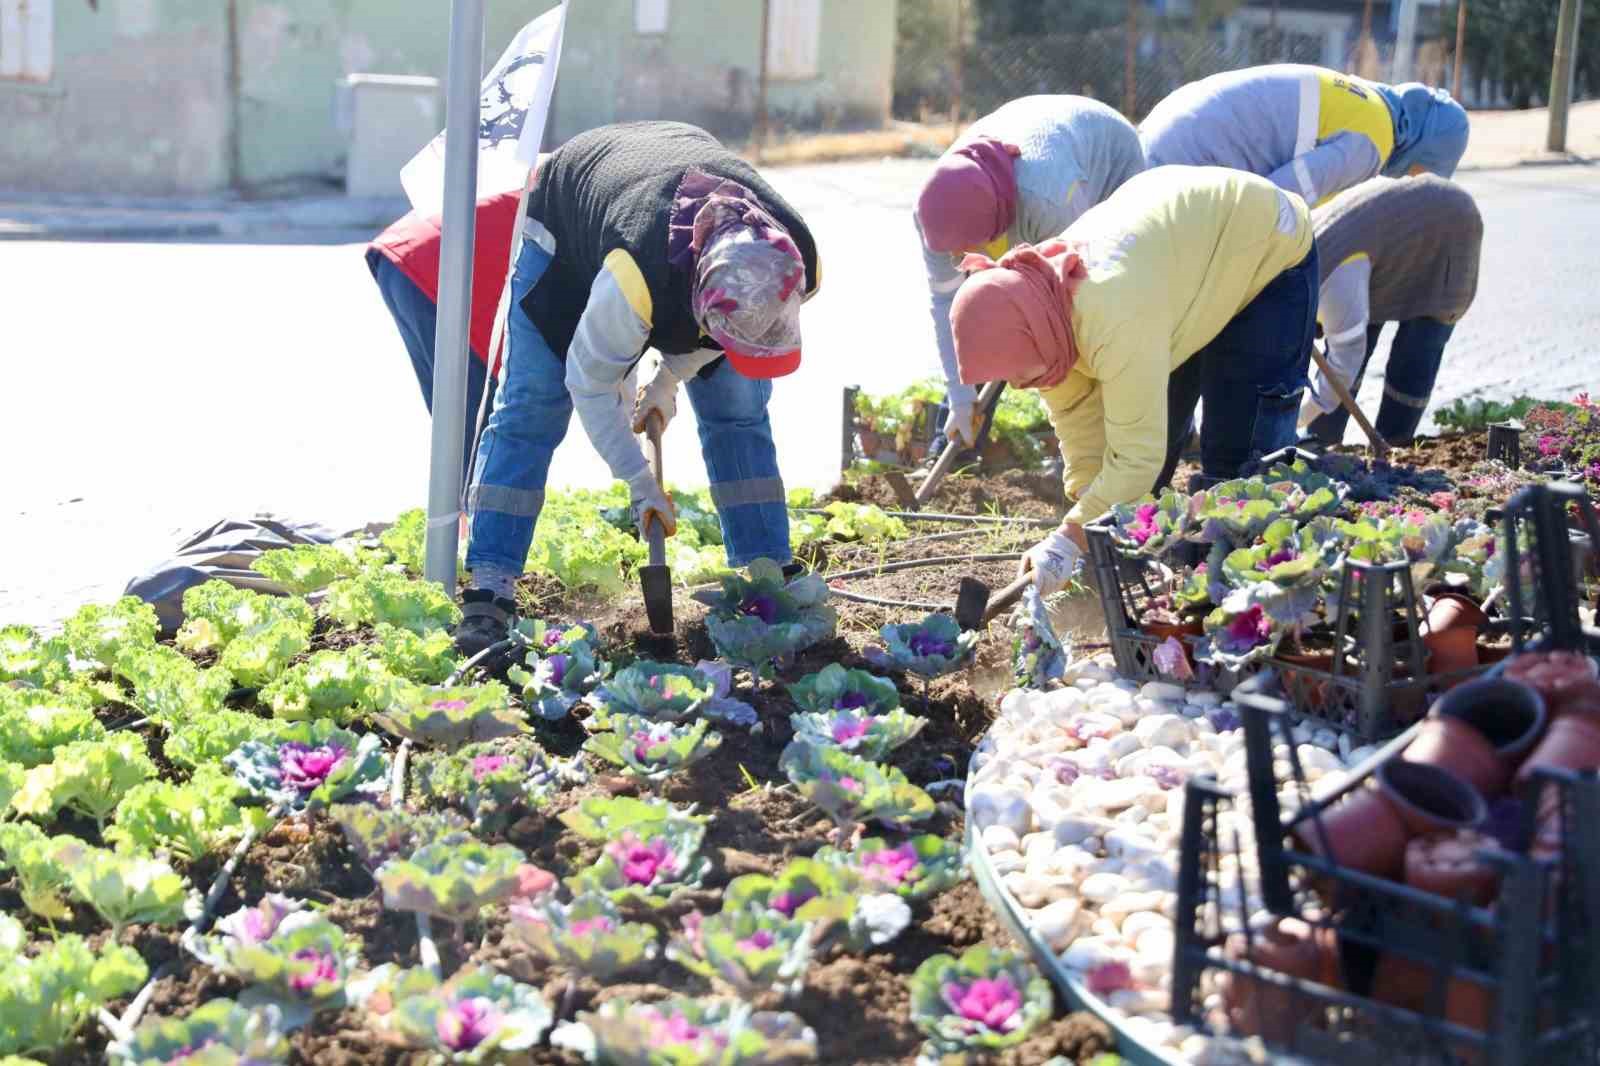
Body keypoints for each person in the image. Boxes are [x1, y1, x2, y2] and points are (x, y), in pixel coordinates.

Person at [454, 120, 820, 654]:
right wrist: (638, 480)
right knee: (535, 405)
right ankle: (490, 584)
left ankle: (765, 569)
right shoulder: (634, 278)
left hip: (673, 197)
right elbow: (590, 385)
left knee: (738, 405)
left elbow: (724, 338)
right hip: (569, 225)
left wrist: (669, 379)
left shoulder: (793, 259)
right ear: (700, 299)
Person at [948, 166, 1318, 595]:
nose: (1015, 383)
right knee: (1141, 467)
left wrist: (1071, 535)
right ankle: (1150, 574)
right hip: (1179, 273)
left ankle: (1250, 594)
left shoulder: (1109, 310)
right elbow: (1081, 426)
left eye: (1013, 370)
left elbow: (1136, 457)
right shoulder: (1038, 313)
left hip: (1264, 245)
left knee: (1238, 462)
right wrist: (1085, 521)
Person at [915, 95, 1146, 451]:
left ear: (992, 226)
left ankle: (1103, 439)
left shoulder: (1047, 201)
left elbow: (1077, 290)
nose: (957, 258)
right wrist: (960, 398)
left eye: (965, 249)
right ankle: (962, 440)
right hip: (1030, 146)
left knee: (1090, 312)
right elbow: (948, 304)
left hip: (1107, 158)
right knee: (987, 305)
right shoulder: (935, 212)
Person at [1299, 175, 1483, 445]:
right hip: (1382, 246)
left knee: (1416, 352)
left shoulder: (1334, 281)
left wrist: (1299, 418)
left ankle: (1394, 443)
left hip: (1449, 230)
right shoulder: (1294, 256)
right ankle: (1320, 442)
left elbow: (1345, 359)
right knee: (1349, 342)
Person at [1140, 64, 1471, 207]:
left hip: (1166, 134)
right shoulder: (1373, 139)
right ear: (1424, 149)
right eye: (1422, 173)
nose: (1411, 180)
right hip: (1185, 165)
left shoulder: (1362, 102)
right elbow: (1277, 202)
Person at [367, 190, 524, 471]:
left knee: (457, 433)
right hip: (440, 268)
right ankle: (473, 511)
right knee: (484, 437)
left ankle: (458, 510)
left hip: (402, 254)